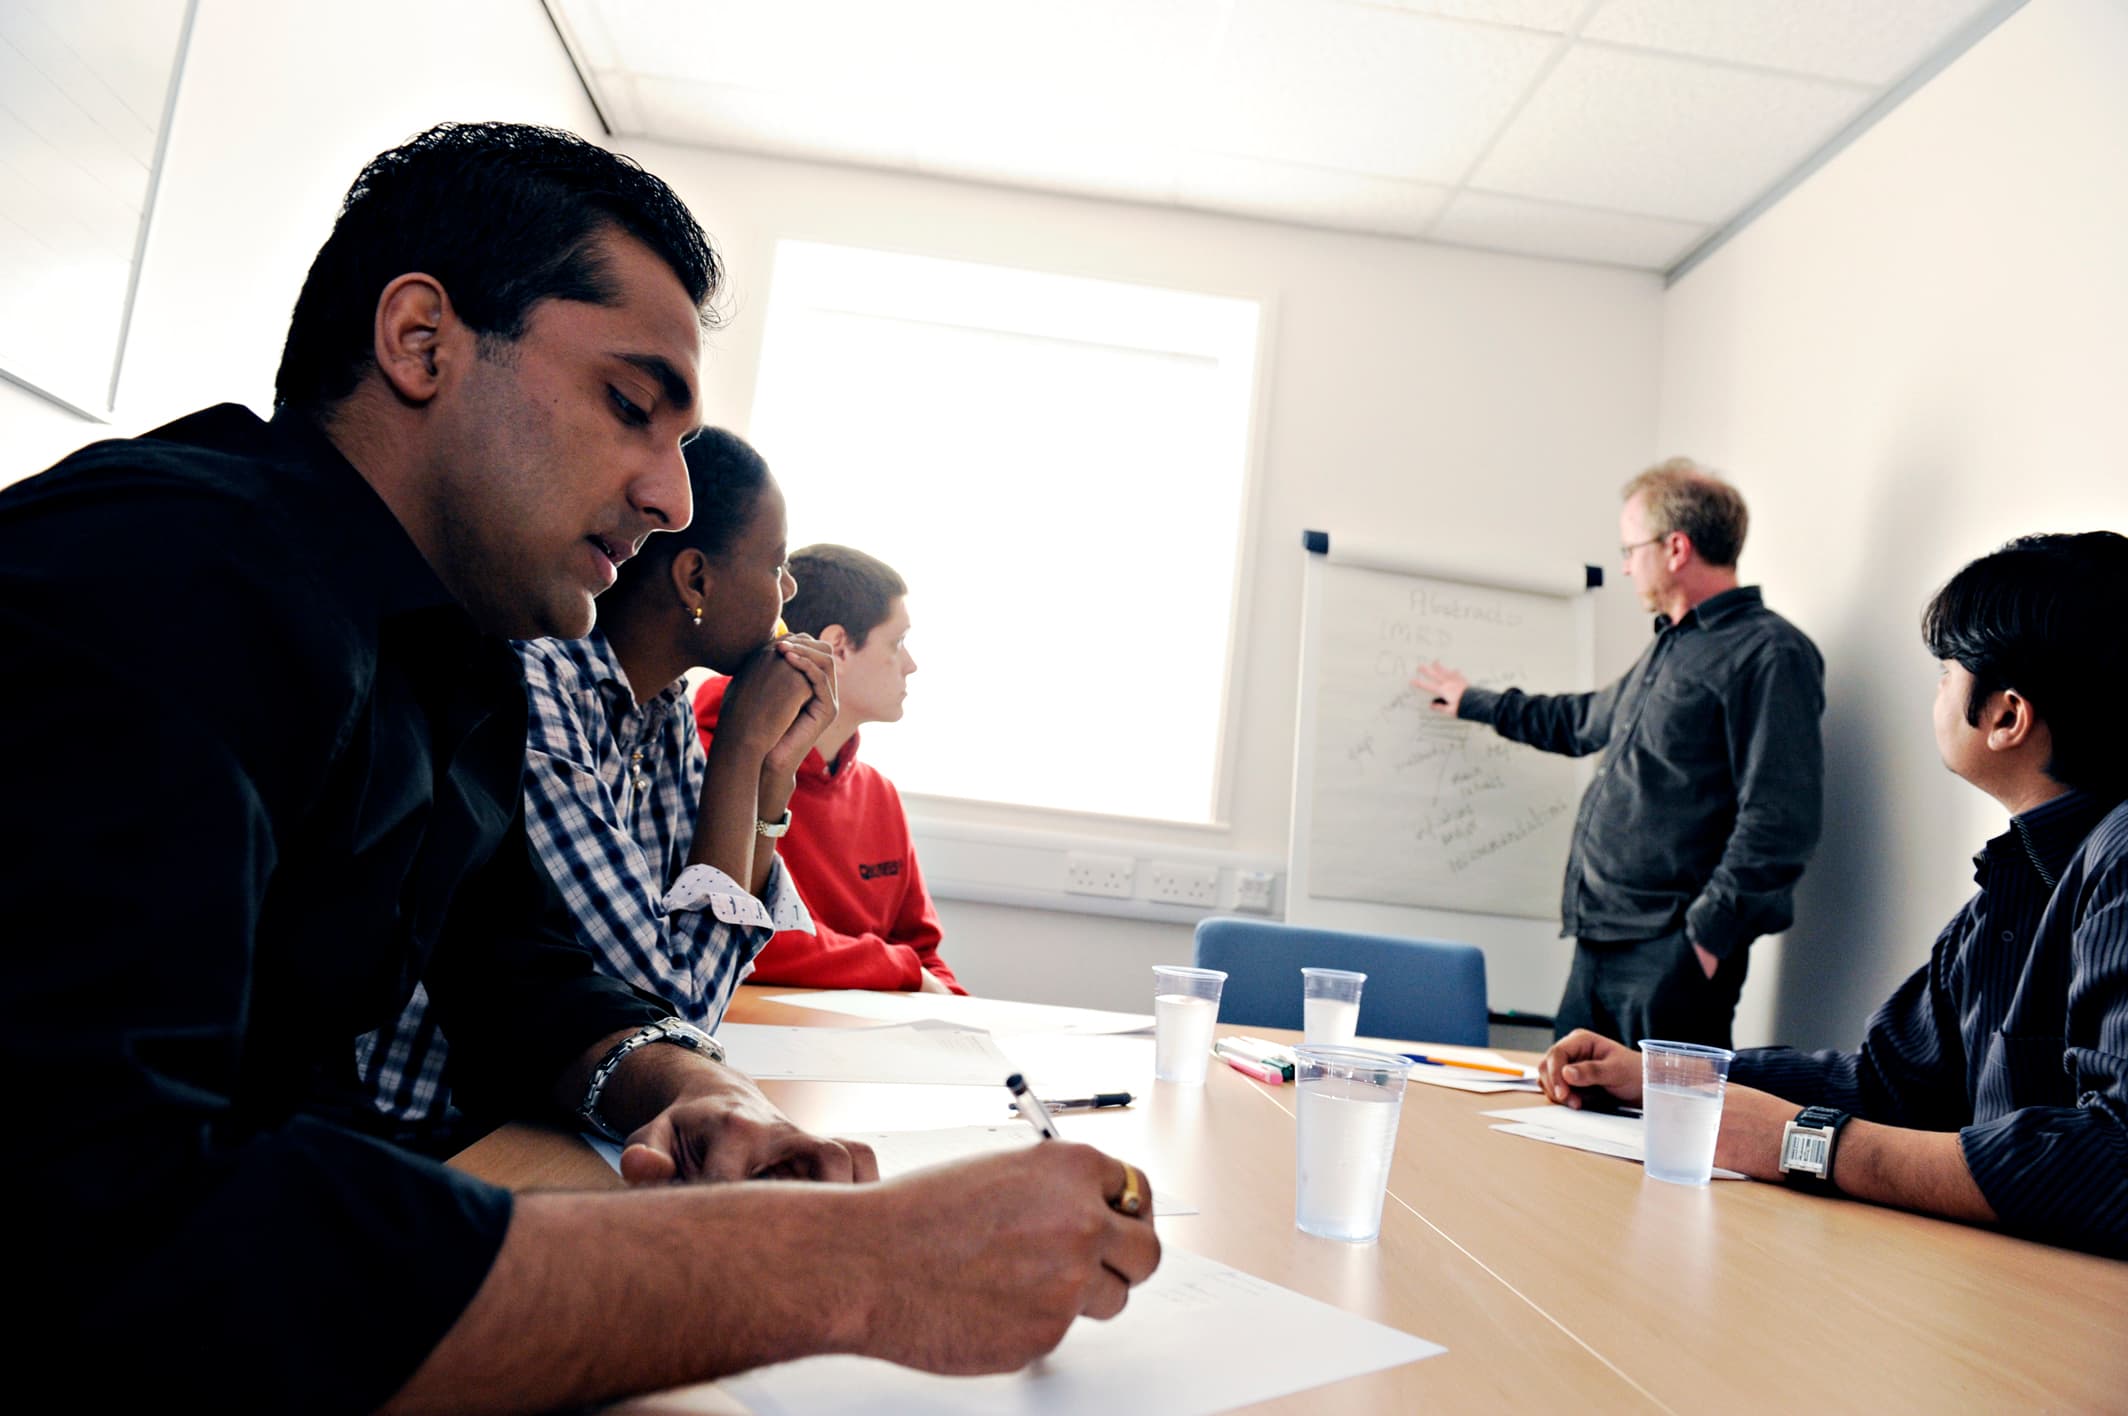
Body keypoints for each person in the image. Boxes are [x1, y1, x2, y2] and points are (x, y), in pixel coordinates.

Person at [0, 122, 1158, 1412]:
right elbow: (92, 1230)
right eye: (629, 407)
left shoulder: (452, 648)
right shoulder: (158, 584)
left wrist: (694, 1091)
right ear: (422, 343)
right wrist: (844, 1270)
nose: (672, 499)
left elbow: (521, 970)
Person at [1539, 532, 2128, 1257]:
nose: (1938, 690)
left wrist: (1802, 1144)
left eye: (1947, 671)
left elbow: (2115, 1158)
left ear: (2006, 718)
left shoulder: (2120, 860)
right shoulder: (2012, 889)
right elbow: (1889, 1083)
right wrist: (1660, 1074)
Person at [353, 429, 833, 1143]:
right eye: (778, 563)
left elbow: (690, 994)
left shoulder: (661, 708)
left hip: (540, 1123)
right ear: (695, 579)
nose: (789, 590)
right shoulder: (534, 688)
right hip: (428, 1137)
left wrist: (768, 777)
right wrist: (738, 752)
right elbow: (669, 1012)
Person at [1411, 459, 1824, 1048]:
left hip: (1670, 955)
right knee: (1565, 1125)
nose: (1626, 564)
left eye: (1631, 548)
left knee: (1652, 1140)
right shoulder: (1672, 647)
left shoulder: (1770, 653)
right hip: (1599, 945)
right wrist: (1473, 701)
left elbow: (1781, 819)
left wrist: (1704, 943)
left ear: (1676, 548)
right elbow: (1582, 721)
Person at [696, 543, 964, 994]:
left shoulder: (879, 793)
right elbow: (749, 938)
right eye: (897, 643)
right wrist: (898, 970)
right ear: (838, 646)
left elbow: (922, 956)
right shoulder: (710, 765)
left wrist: (963, 1024)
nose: (911, 665)